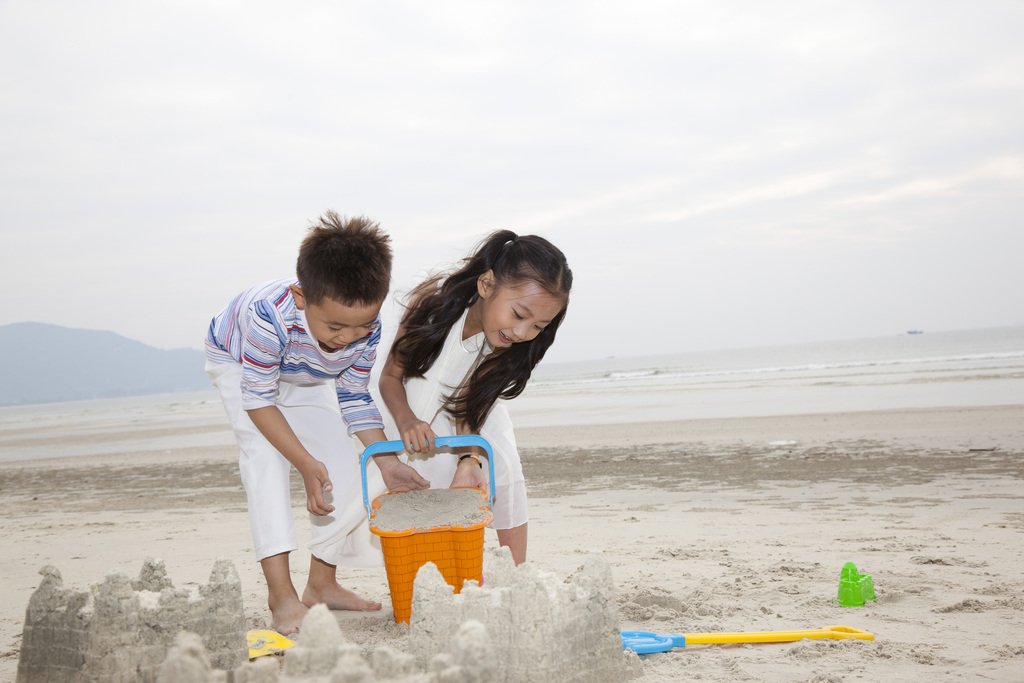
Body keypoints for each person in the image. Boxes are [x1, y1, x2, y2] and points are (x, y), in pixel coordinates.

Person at [204, 211, 428, 635]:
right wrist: (304, 463)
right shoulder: (267, 315)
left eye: (361, 326)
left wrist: (386, 460)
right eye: (336, 326)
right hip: (240, 362)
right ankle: (282, 599)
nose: (347, 338)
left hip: (305, 370)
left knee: (346, 466)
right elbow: (258, 399)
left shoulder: (367, 327)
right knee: (266, 462)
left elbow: (354, 396)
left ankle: (321, 584)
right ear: (302, 297)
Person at [378, 230, 572, 565]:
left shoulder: (504, 343)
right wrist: (407, 419)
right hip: (411, 392)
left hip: (472, 405)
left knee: (503, 465)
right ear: (486, 285)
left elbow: (466, 403)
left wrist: (470, 458)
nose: (523, 334)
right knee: (424, 473)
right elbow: (390, 377)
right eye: (519, 315)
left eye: (539, 326)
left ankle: (515, 571)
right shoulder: (431, 304)